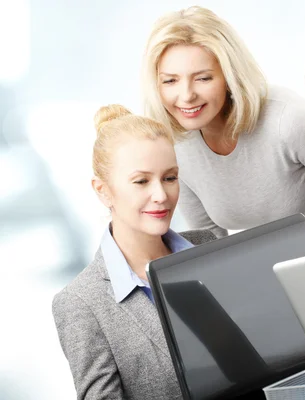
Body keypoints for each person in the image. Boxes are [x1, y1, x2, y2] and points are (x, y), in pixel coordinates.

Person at [141, 6, 305, 252]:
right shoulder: (175, 148)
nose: (186, 96)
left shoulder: (288, 121)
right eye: (170, 81)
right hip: (263, 272)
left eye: (203, 78)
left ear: (230, 77)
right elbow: (209, 245)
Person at [52, 105, 216, 400]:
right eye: (141, 181)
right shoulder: (81, 304)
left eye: (170, 177)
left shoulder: (210, 247)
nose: (161, 195)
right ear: (102, 190)